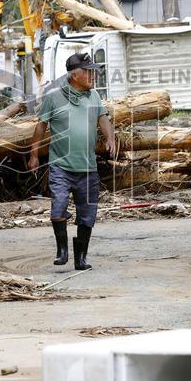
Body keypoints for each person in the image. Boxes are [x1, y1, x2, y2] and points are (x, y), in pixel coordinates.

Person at [28, 52, 117, 270]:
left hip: (88, 167)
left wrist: (110, 138)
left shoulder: (94, 97)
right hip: (61, 166)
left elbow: (103, 118)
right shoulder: (54, 98)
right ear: (75, 75)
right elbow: (41, 126)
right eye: (89, 72)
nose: (93, 76)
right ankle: (62, 250)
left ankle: (81, 258)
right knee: (58, 208)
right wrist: (33, 154)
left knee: (87, 215)